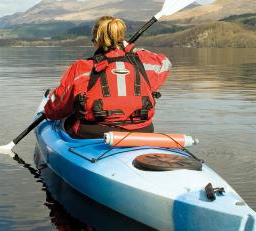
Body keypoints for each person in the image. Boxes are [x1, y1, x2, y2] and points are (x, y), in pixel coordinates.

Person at [43, 16, 171, 139]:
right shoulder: (144, 62)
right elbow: (165, 62)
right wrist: (132, 50)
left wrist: (48, 111)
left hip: (95, 133)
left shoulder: (82, 68)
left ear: (97, 40)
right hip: (143, 131)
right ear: (121, 38)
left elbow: (55, 109)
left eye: (93, 41)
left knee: (66, 119)